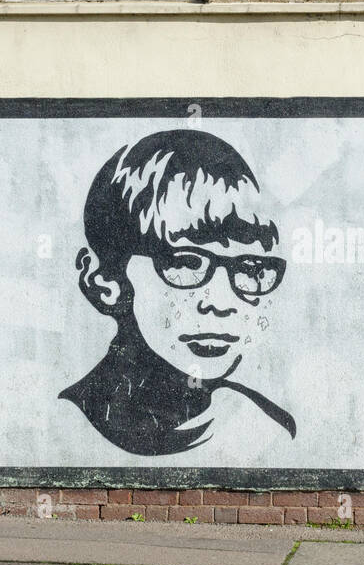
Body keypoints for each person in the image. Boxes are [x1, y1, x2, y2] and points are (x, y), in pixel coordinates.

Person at [61, 130, 295, 455]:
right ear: (105, 282)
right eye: (185, 264)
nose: (221, 303)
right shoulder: (67, 422)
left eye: (252, 268)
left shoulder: (266, 428)